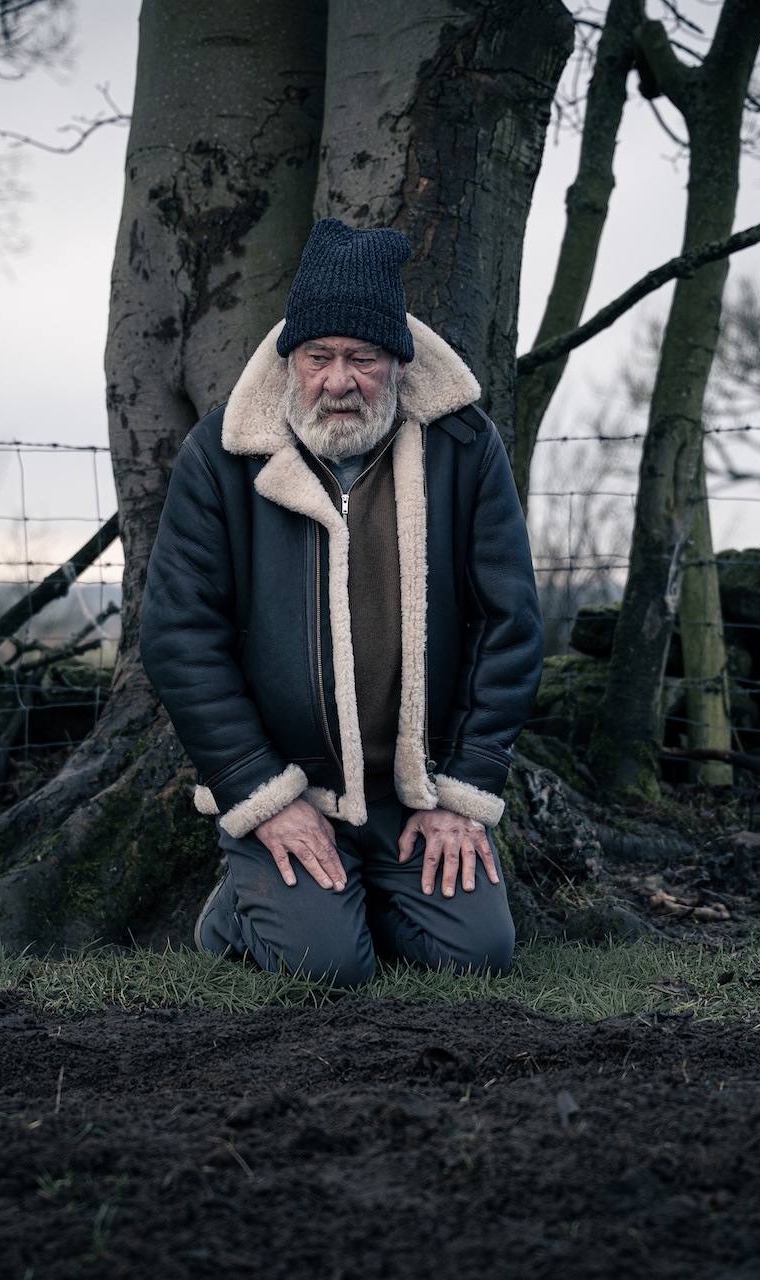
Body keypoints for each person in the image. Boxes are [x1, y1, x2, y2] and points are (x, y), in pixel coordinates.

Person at [140, 218, 544, 987]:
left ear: (398, 361)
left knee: (476, 956)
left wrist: (461, 792)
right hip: (292, 784)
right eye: (319, 357)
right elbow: (178, 634)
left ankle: (359, 899)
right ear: (291, 359)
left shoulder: (463, 447)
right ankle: (236, 907)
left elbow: (510, 624)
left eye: (362, 358)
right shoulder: (221, 456)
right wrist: (260, 793)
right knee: (325, 970)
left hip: (410, 792)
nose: (338, 380)